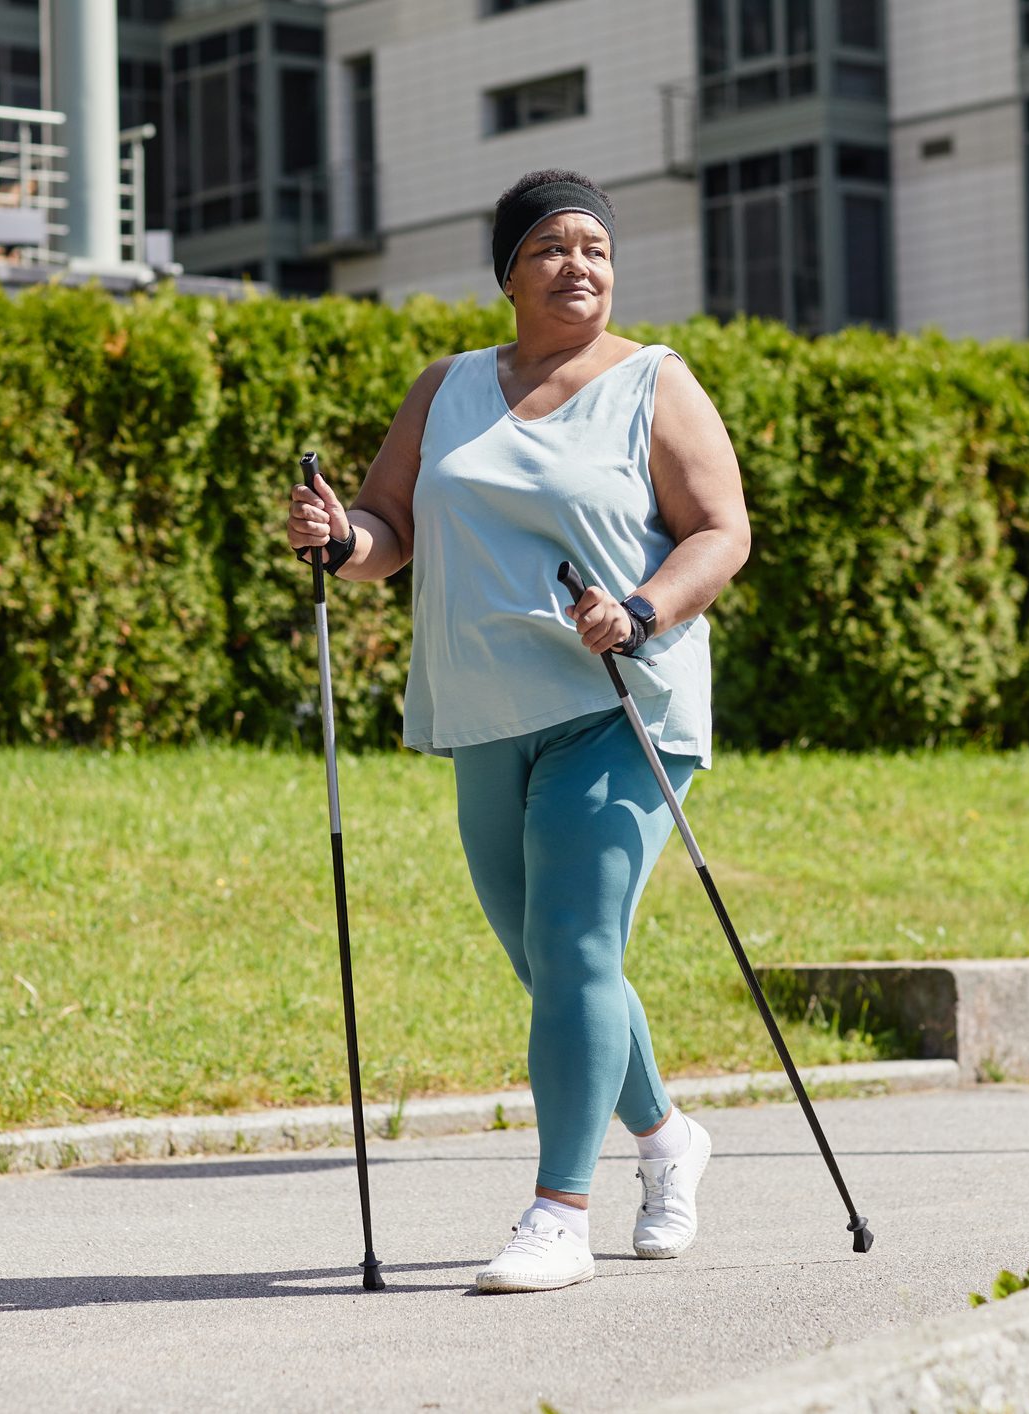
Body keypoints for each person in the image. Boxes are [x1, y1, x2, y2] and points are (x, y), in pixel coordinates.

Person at [283, 169, 750, 1294]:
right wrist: (340, 537)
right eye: (549, 247)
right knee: (547, 963)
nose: (577, 264)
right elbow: (390, 526)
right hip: (484, 708)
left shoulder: (653, 381)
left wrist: (640, 610)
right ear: (507, 273)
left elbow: (720, 531)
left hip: (619, 704)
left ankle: (558, 1211)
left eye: (594, 246)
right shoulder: (445, 388)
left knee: (581, 944)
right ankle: (667, 1137)